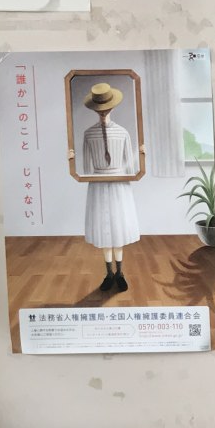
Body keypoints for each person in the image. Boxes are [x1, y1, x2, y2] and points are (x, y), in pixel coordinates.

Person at [77, 82, 141, 293]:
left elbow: (130, 167)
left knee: (117, 227)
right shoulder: (88, 134)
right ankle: (109, 273)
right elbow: (86, 169)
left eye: (106, 109)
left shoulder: (122, 133)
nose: (103, 113)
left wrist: (142, 155)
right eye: (100, 110)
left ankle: (120, 273)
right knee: (104, 228)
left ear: (112, 107)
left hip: (119, 185)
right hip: (98, 184)